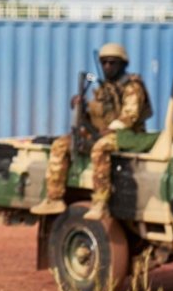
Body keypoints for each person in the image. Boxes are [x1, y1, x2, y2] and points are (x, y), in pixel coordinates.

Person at [30, 42, 152, 220]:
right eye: (104, 63)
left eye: (113, 63)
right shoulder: (104, 88)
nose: (108, 67)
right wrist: (81, 107)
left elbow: (129, 116)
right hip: (105, 132)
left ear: (122, 64)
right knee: (60, 144)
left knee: (100, 148)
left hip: (129, 135)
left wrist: (109, 130)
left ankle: (100, 203)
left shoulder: (132, 86)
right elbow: (98, 116)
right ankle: (54, 197)